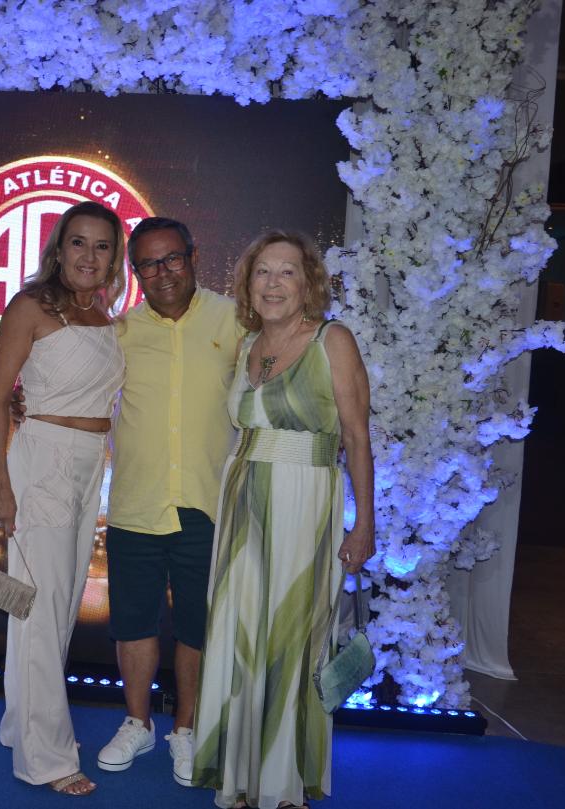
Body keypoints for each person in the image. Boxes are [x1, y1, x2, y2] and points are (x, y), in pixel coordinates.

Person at [191, 230, 375, 809]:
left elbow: (357, 438)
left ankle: (283, 787)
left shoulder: (331, 340)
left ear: (308, 284)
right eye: (262, 272)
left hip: (304, 502)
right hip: (243, 503)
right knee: (240, 633)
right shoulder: (248, 344)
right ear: (248, 283)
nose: (273, 283)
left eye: (287, 272)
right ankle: (241, 778)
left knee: (292, 637)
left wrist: (364, 524)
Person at [92, 218, 245, 786]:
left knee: (196, 627)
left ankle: (185, 729)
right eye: (149, 264)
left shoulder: (235, 320)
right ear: (135, 272)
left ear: (194, 256)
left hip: (207, 504)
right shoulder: (120, 331)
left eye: (172, 258)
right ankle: (137, 723)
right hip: (137, 501)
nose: (163, 272)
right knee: (133, 623)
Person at [0, 200, 127, 797]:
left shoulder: (106, 316)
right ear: (59, 248)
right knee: (40, 610)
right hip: (43, 458)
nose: (89, 255)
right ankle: (46, 758)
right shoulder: (30, 307)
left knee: (58, 606)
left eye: (102, 245)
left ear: (114, 258)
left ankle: (20, 723)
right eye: (78, 242)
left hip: (90, 463)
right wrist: (1, 485)